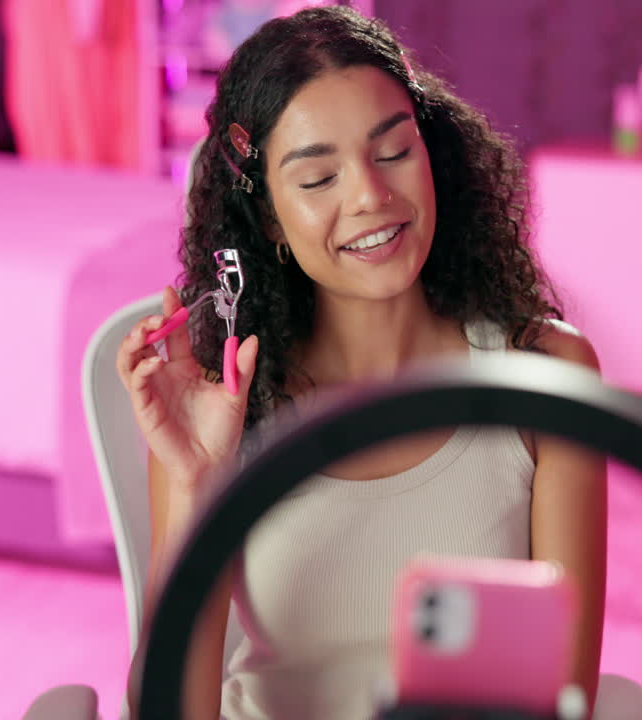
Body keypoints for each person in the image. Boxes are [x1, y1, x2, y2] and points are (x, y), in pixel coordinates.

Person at [117, 6, 606, 719]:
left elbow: (564, 698)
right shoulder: (227, 400)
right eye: (317, 180)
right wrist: (196, 483)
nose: (371, 197)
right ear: (273, 222)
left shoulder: (548, 373)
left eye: (394, 152)